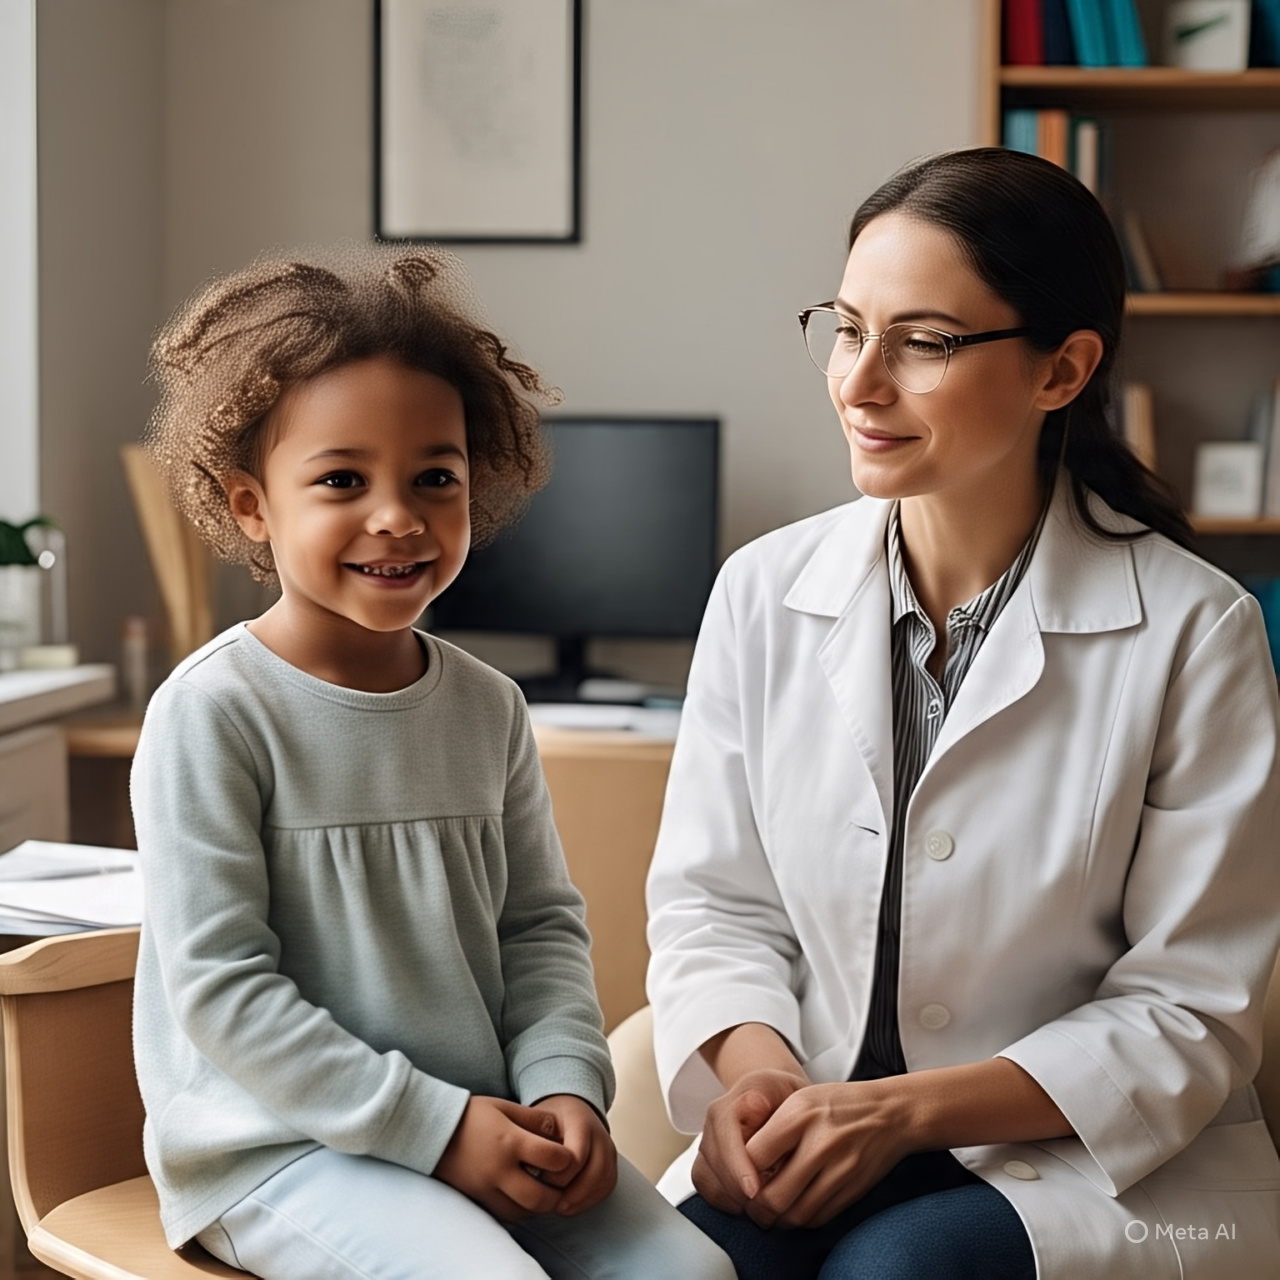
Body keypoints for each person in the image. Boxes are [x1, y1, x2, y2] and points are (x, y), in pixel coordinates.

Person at [645, 147, 1280, 1280]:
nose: (859, 382)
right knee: (676, 1268)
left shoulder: (1197, 630)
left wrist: (897, 1114)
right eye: (847, 329)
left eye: (922, 342)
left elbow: (1191, 1004)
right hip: (821, 1118)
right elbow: (714, 906)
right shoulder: (760, 591)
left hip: (1084, 1156)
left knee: (895, 1269)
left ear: (1061, 369)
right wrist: (761, 1081)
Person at [131, 244, 734, 1280]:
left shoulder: (489, 706)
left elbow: (538, 929)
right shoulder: (211, 713)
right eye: (341, 479)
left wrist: (565, 1087)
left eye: (434, 478)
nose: (398, 516)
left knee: (696, 1273)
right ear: (251, 504)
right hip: (280, 1149)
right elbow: (225, 990)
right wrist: (438, 1129)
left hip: (484, 1122)